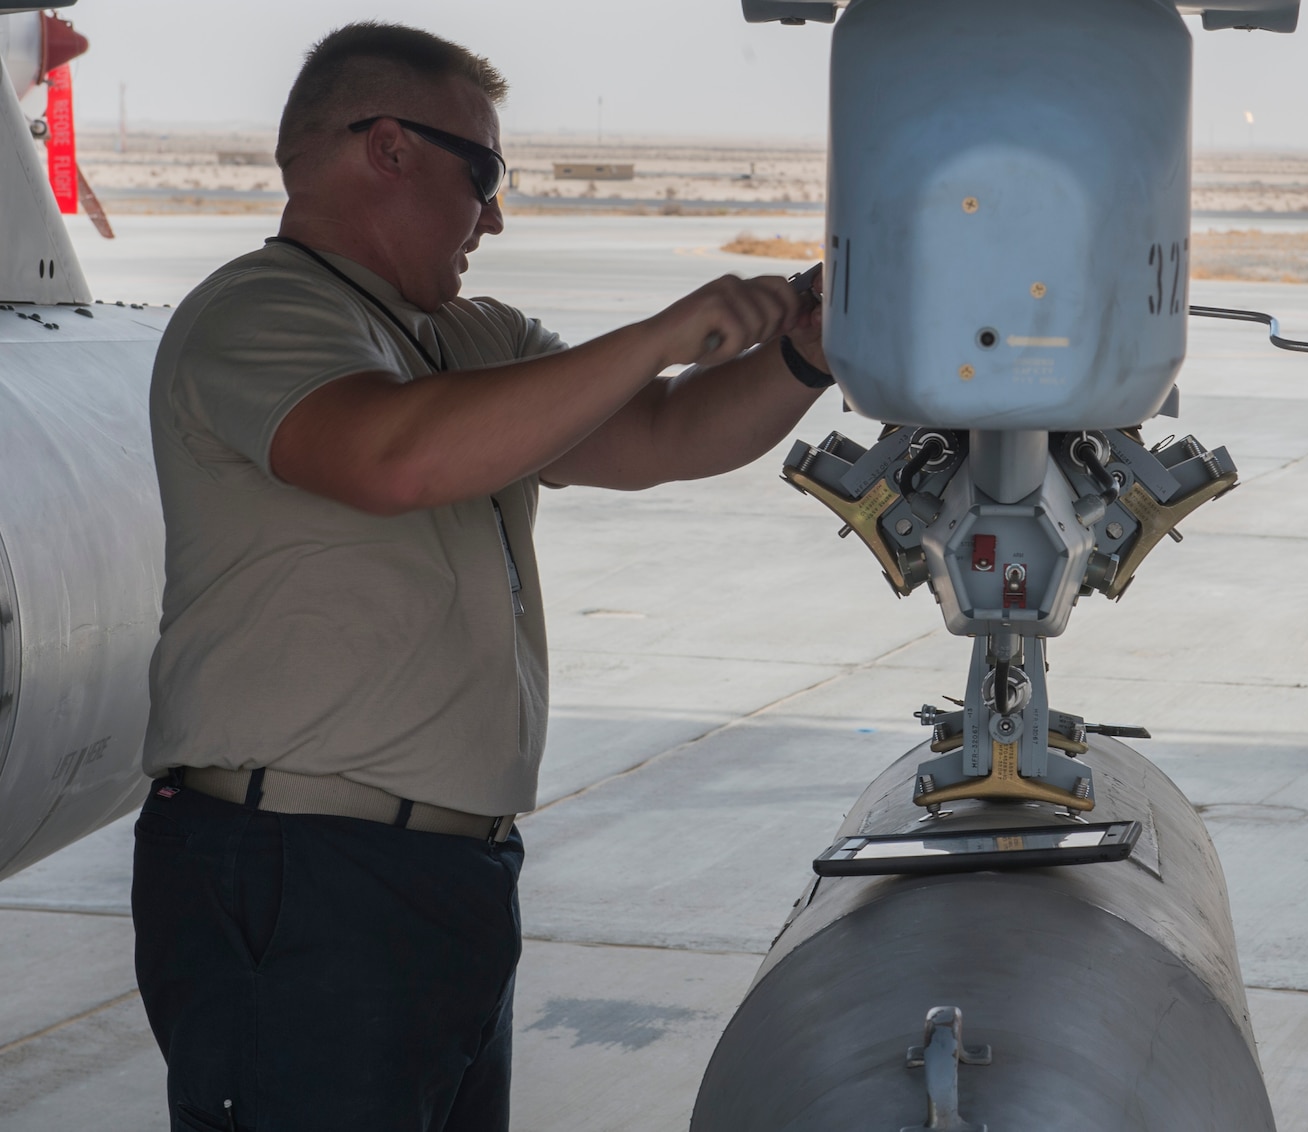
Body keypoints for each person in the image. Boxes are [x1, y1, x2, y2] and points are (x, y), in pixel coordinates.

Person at [130, 23, 831, 1132]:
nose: (494, 217)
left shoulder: (471, 336)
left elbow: (652, 438)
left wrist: (803, 353)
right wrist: (659, 330)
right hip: (297, 877)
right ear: (391, 147)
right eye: (484, 175)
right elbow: (390, 455)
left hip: (441, 882)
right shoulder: (257, 313)